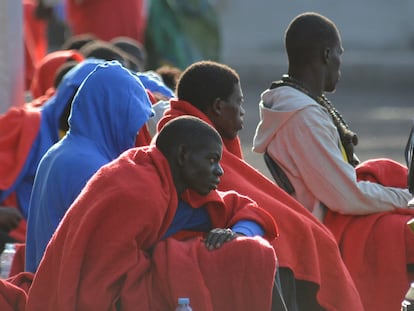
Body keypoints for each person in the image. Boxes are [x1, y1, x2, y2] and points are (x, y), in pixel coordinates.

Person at [157, 60, 364, 311]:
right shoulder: (192, 148)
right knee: (282, 249)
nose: (243, 111)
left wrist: (244, 229)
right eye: (239, 102)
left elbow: (243, 204)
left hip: (235, 238)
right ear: (219, 107)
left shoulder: (185, 134)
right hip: (208, 257)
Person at [26, 116, 280, 311]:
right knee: (249, 257)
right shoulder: (138, 190)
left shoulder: (172, 182)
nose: (219, 172)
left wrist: (237, 233)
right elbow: (99, 287)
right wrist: (179, 256)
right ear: (182, 155)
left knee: (252, 252)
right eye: (212, 160)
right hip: (85, 295)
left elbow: (242, 208)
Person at [252, 12, 414, 311]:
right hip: (331, 225)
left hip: (340, 211)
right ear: (327, 54)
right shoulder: (303, 117)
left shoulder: (303, 104)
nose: (341, 63)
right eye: (340, 54)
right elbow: (346, 197)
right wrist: (407, 199)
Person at [25, 61, 154, 273]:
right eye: (134, 123)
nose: (137, 134)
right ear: (116, 114)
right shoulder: (93, 168)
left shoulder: (62, 151)